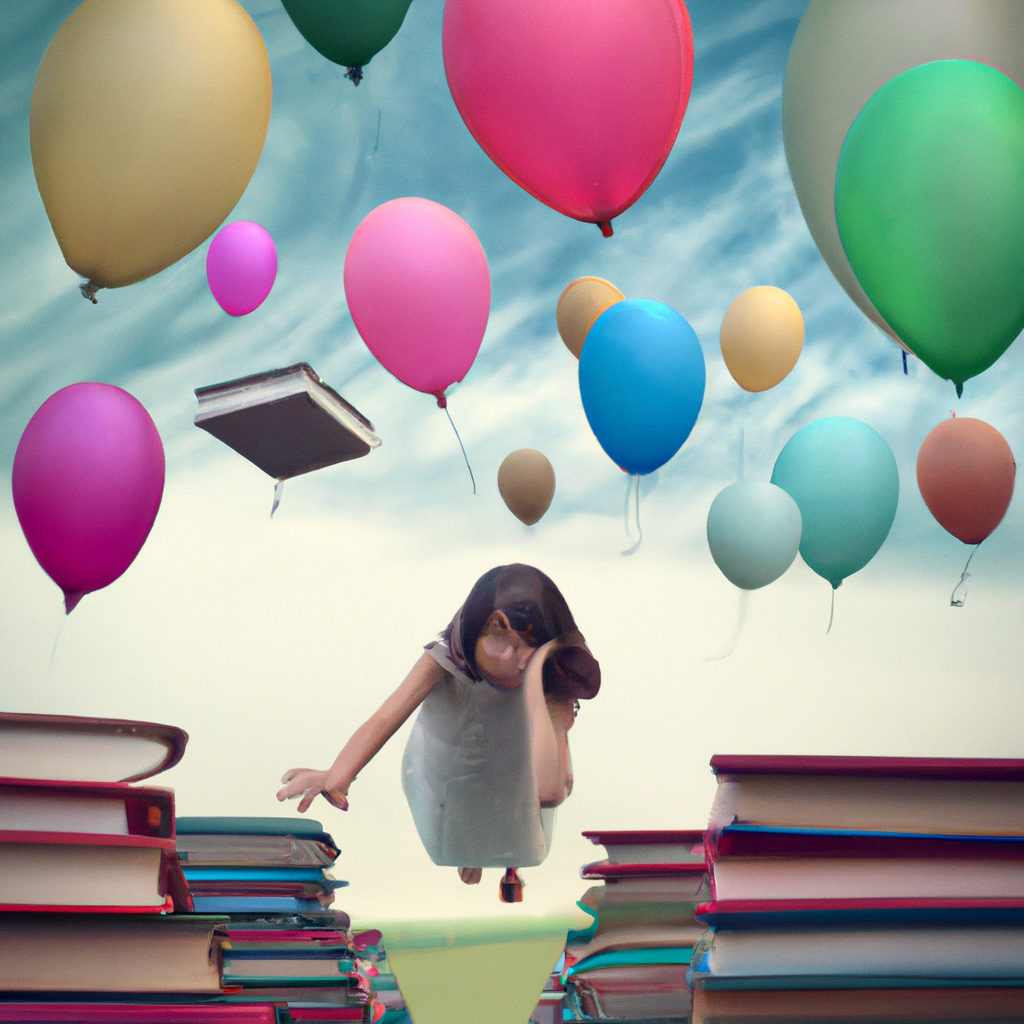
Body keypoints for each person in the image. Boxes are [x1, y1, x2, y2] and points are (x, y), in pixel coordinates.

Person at [277, 563, 600, 902]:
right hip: (448, 777)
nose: (519, 662)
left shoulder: (548, 687)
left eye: (531, 651)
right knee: (465, 803)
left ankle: (499, 861)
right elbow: (388, 714)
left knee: (520, 815)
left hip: (515, 786)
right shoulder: (443, 661)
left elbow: (548, 791)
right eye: (507, 644)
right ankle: (470, 850)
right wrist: (336, 776)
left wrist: (539, 680)